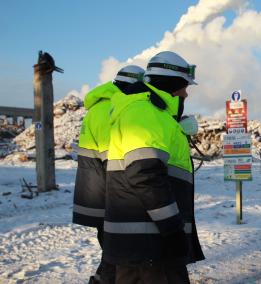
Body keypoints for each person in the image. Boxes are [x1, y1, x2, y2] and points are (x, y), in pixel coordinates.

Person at [103, 51, 205, 283]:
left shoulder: (155, 114)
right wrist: (172, 228)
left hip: (152, 242)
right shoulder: (144, 113)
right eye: (185, 86)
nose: (186, 93)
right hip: (147, 243)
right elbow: (145, 174)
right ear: (173, 84)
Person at [73, 65, 145, 284]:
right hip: (114, 193)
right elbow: (121, 156)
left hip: (94, 191)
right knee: (120, 253)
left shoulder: (95, 110)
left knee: (111, 247)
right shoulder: (119, 108)